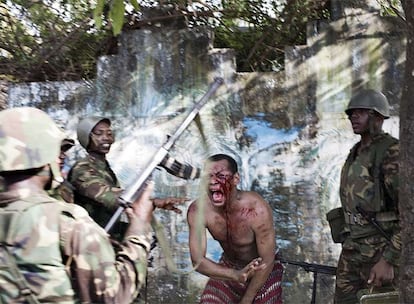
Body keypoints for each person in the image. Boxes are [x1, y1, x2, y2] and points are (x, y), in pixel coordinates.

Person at [0, 106, 179, 303]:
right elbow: (115, 297)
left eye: (109, 133)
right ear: (44, 156)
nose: (62, 156)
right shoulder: (68, 222)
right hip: (100, 263)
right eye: (57, 151)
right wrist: (138, 230)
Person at [67, 116, 189, 241]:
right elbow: (110, 196)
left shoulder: (104, 168)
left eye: (109, 133)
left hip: (103, 238)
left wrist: (154, 202)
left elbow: (122, 200)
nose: (106, 138)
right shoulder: (82, 169)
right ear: (86, 138)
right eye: (99, 133)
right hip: (89, 243)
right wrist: (149, 200)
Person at [187, 153, 283, 304]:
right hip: (229, 265)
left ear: (235, 179)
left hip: (264, 268)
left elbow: (267, 260)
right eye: (208, 176)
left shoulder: (257, 210)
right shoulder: (198, 210)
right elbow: (198, 261)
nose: (212, 181)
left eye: (221, 176)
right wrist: (234, 274)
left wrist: (246, 300)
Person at [333, 89, 400, 303]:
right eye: (351, 113)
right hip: (353, 249)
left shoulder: (391, 151)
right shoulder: (355, 151)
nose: (353, 116)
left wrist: (389, 259)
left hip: (380, 250)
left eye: (361, 112)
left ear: (378, 117)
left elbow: (409, 211)